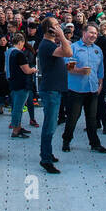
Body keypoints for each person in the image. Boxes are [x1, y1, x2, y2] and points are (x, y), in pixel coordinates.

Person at [35, 17, 73, 172]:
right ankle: (45, 158)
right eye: (56, 25)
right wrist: (63, 36)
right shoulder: (46, 45)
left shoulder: (50, 44)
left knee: (50, 124)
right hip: (50, 90)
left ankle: (48, 153)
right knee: (49, 126)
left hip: (54, 88)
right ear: (48, 29)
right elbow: (68, 52)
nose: (59, 27)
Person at [63, 22, 106, 153]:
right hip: (76, 90)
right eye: (91, 32)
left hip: (92, 89)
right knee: (73, 118)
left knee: (92, 119)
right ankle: (66, 140)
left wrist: (100, 84)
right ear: (84, 33)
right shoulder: (74, 48)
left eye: (95, 33)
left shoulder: (98, 50)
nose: (93, 35)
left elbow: (100, 70)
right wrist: (80, 71)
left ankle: (95, 143)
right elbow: (68, 67)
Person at [6, 33, 35, 139]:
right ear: (20, 42)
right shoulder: (19, 54)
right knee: (18, 108)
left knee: (16, 106)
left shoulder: (9, 51)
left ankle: (18, 126)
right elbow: (26, 70)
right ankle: (15, 131)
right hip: (21, 83)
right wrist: (33, 70)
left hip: (12, 82)